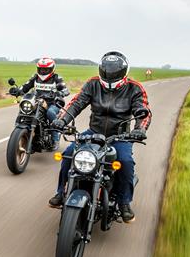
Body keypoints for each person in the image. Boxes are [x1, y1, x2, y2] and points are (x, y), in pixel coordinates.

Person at [49, 51, 151, 223]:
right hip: (93, 133)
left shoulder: (134, 88)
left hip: (120, 136)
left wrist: (140, 129)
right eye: (106, 73)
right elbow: (76, 103)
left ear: (124, 72)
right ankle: (61, 193)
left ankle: (124, 202)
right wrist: (62, 119)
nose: (110, 77)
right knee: (68, 154)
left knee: (125, 162)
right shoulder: (93, 84)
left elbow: (143, 111)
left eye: (114, 74)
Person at [9, 57, 70, 146]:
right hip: (37, 102)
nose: (43, 71)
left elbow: (66, 90)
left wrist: (59, 93)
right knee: (25, 110)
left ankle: (55, 138)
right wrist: (18, 91)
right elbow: (25, 86)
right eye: (41, 69)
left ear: (52, 69)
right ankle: (18, 133)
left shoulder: (57, 78)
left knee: (50, 113)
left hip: (52, 103)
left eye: (45, 69)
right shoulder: (35, 77)